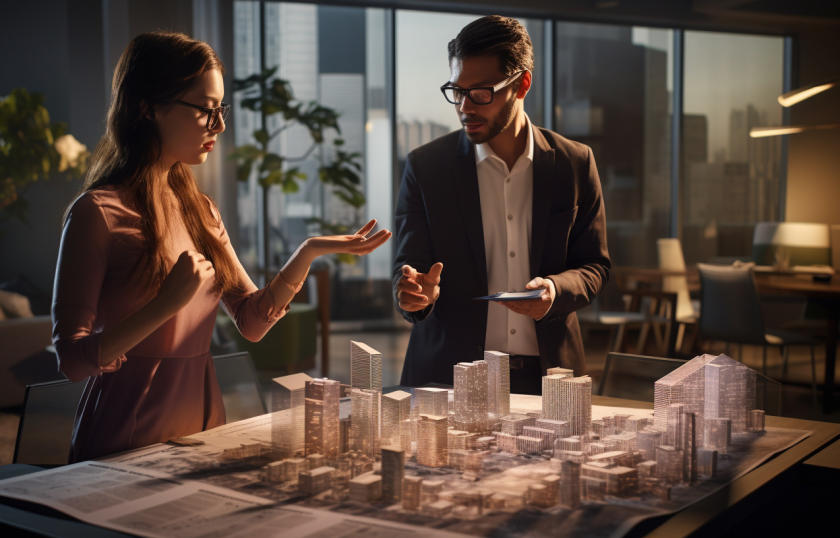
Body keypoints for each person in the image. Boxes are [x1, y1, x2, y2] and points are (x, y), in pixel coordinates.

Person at [53, 32, 390, 462]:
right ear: (148, 107)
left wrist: (307, 251)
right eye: (205, 110)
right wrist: (166, 303)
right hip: (123, 439)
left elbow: (252, 321)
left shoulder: (202, 211)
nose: (220, 125)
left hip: (204, 432)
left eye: (221, 109)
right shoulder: (95, 213)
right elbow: (72, 361)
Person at [393, 15, 610, 394]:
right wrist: (415, 295)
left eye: (480, 92)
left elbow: (595, 265)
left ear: (522, 83)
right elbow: (407, 269)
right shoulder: (426, 168)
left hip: (549, 380)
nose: (465, 107)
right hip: (449, 376)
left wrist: (555, 290)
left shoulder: (574, 163)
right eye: (456, 91)